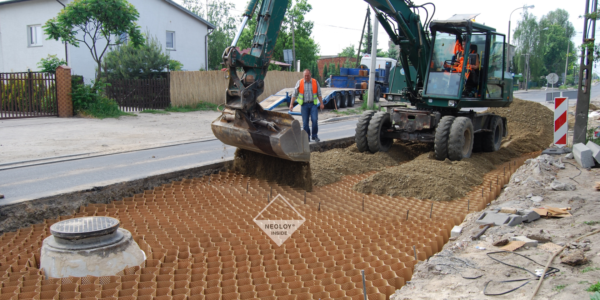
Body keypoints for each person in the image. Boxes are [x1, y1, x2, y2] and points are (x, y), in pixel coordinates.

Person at [290, 69, 324, 142]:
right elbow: (294, 94)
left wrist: (321, 103)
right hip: (304, 105)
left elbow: (319, 94)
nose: (306, 77)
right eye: (305, 76)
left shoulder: (315, 82)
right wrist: (291, 104)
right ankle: (307, 137)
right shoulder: (300, 82)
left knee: (314, 120)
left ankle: (314, 136)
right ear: (303, 75)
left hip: (313, 105)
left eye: (308, 75)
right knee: (305, 123)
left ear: (310, 75)